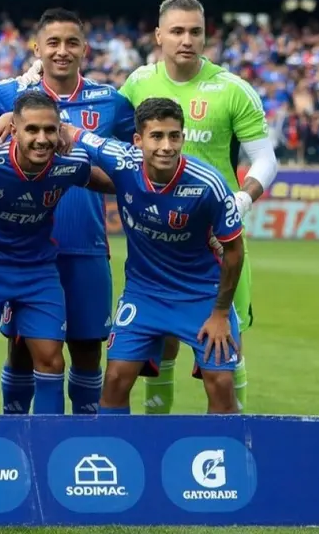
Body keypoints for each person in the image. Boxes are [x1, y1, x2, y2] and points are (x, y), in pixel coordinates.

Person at [117, 0, 276, 413]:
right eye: (177, 31)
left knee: (227, 344)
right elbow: (116, 148)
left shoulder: (233, 89)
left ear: (206, 37)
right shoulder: (137, 84)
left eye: (195, 32)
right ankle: (156, 430)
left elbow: (266, 159)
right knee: (161, 344)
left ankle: (234, 436)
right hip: (159, 239)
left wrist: (242, 199)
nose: (186, 40)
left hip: (218, 239)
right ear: (158, 36)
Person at [0, 8, 135, 415]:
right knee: (23, 350)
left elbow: (136, 161)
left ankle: (81, 439)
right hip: (24, 255)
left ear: (84, 49)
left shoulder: (111, 102)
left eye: (71, 43)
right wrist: (8, 115)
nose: (62, 51)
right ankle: (17, 434)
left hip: (86, 246)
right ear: (37, 49)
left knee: (87, 351)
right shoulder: (6, 95)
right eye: (53, 43)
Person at [76, 98, 244, 415]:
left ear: (182, 137)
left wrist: (220, 313)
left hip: (201, 295)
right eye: (156, 136)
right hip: (144, 294)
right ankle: (116, 445)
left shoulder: (208, 184)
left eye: (174, 136)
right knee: (115, 379)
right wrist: (4, 122)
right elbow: (69, 131)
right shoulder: (120, 159)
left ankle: (221, 448)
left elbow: (234, 251)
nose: (166, 146)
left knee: (222, 385)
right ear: (138, 140)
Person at [0, 91, 112, 416]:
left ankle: (47, 443)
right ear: (14, 130)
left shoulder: (70, 162)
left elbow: (116, 182)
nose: (42, 139)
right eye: (32, 130)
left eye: (50, 130)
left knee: (52, 361)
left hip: (37, 270)